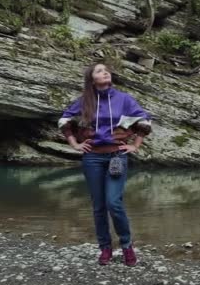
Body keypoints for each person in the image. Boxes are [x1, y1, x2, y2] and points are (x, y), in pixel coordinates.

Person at [58, 63, 152, 266]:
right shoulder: (85, 101)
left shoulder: (124, 99)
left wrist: (135, 145)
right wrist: (75, 143)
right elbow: (65, 120)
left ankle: (127, 246)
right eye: (99, 71)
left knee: (114, 202)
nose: (105, 72)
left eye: (106, 70)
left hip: (117, 155)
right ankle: (105, 249)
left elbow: (144, 120)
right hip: (92, 158)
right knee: (99, 206)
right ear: (92, 80)